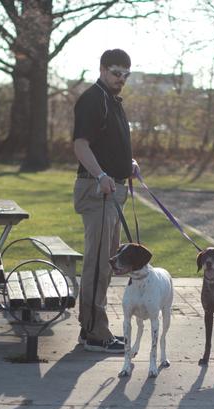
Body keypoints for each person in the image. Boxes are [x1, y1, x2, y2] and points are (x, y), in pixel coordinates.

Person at [72, 49, 134, 353]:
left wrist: (127, 164)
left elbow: (106, 143)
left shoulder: (112, 101)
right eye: (115, 72)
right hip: (98, 192)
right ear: (101, 69)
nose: (120, 79)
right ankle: (95, 334)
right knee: (97, 265)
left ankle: (92, 329)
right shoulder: (93, 99)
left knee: (107, 264)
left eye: (125, 74)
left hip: (113, 192)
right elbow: (80, 145)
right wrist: (100, 176)